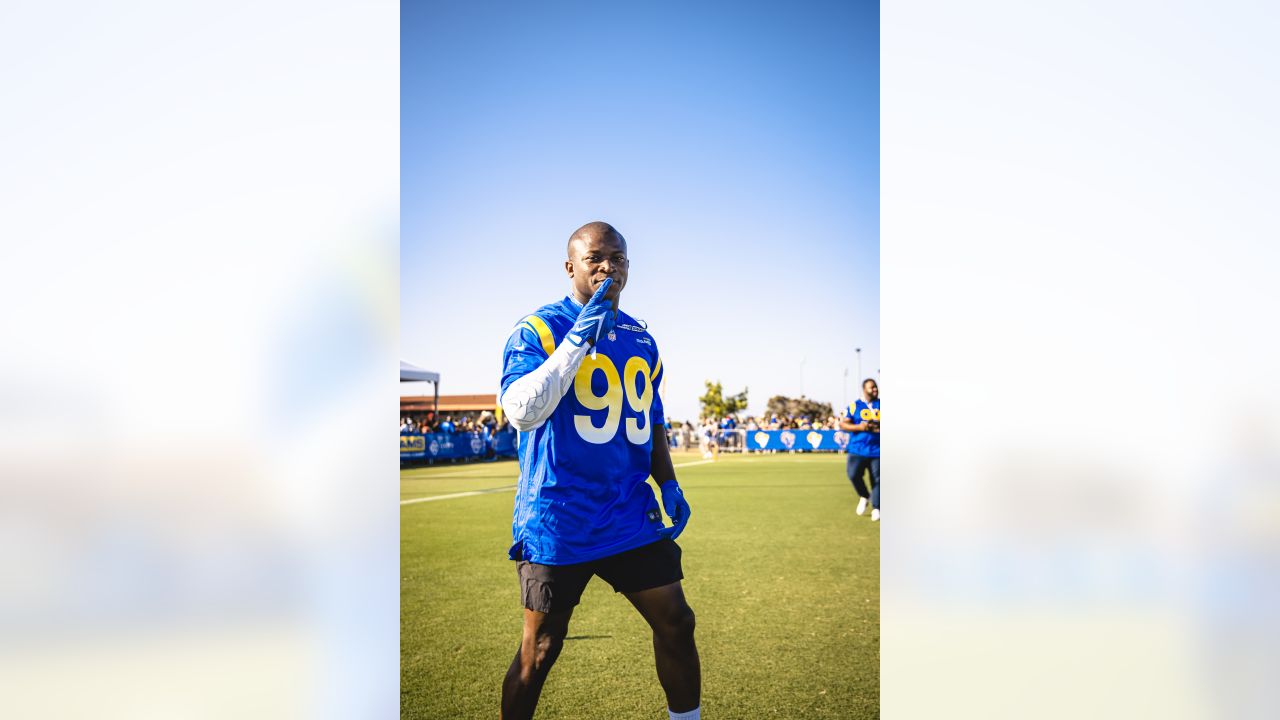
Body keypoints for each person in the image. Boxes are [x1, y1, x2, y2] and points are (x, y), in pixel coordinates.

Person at [498, 222, 701, 720]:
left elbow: (651, 419)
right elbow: (521, 411)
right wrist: (579, 335)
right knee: (541, 648)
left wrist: (669, 480)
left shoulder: (641, 337)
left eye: (619, 257)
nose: (608, 266)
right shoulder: (539, 328)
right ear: (571, 267)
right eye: (595, 258)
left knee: (676, 620)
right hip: (559, 516)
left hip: (627, 510)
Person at [840, 378, 881, 521]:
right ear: (864, 389)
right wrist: (860, 427)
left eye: (876, 387)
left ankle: (877, 507)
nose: (875, 389)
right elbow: (844, 425)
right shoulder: (854, 406)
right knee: (853, 475)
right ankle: (864, 495)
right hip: (857, 449)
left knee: (877, 479)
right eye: (872, 387)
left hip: (878, 449)